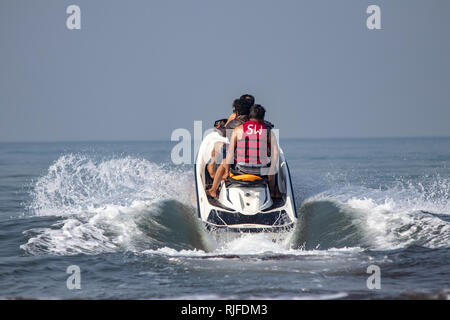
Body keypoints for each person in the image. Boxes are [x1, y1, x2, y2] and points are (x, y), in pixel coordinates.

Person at [207, 104, 281, 198]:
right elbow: (275, 153)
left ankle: (213, 190)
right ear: (263, 118)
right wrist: (271, 169)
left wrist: (226, 172)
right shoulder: (268, 131)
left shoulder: (238, 130)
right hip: (260, 172)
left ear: (249, 117)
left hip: (242, 169)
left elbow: (230, 153)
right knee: (272, 166)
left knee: (225, 161)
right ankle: (273, 193)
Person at [207, 99, 250, 177]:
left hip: (238, 155)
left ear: (237, 112)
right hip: (256, 159)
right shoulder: (260, 124)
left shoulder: (234, 122)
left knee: (221, 149)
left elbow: (224, 133)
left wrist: (218, 128)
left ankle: (213, 181)